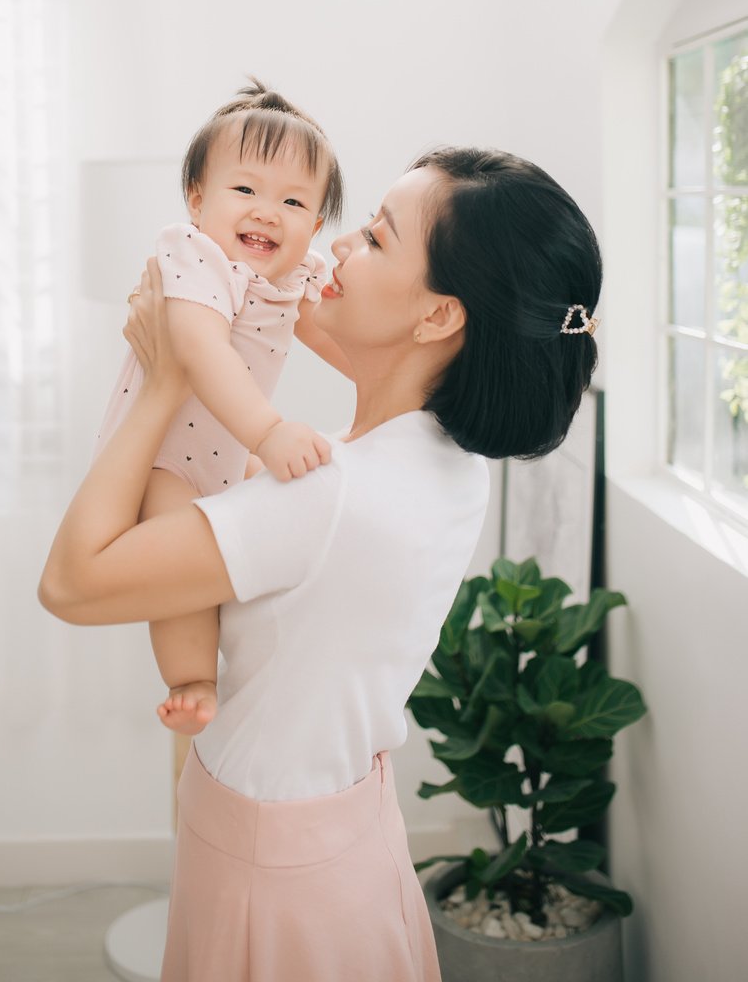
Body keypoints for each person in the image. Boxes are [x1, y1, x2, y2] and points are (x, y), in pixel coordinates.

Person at [39, 146, 602, 982]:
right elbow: (348, 343)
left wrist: (166, 374)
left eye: (374, 238)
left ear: (439, 317)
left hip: (269, 876)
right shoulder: (446, 461)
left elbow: (72, 583)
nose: (335, 246)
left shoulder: (330, 496)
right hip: (340, 847)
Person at [94, 79, 349, 737]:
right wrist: (268, 432)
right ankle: (190, 677)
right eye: (245, 190)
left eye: (293, 200)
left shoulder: (291, 276)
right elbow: (201, 352)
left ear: (314, 224)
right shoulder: (193, 257)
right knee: (181, 580)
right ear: (198, 200)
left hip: (229, 454)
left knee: (256, 560)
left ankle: (254, 672)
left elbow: (337, 338)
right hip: (163, 457)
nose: (268, 211)